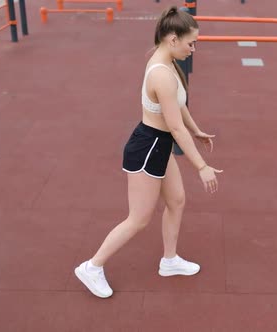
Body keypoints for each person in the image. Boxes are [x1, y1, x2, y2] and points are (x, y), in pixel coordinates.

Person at [74, 6, 222, 299]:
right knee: (139, 219)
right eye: (191, 42)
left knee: (176, 201)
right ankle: (92, 266)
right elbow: (175, 128)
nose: (194, 48)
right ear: (172, 39)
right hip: (149, 146)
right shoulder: (162, 74)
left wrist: (197, 130)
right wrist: (202, 166)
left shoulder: (170, 64)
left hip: (160, 143)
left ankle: (169, 261)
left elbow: (180, 106)